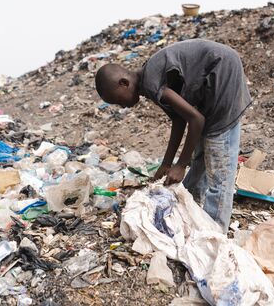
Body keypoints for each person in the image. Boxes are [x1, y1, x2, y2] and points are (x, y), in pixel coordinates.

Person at [94, 39, 252, 231]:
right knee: (202, 153)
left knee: (220, 164)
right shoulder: (148, 81)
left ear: (124, 83)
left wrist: (180, 165)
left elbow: (196, 120)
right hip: (214, 78)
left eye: (118, 101)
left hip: (222, 73)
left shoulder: (151, 82)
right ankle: (187, 210)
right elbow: (179, 119)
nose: (122, 106)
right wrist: (167, 163)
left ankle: (213, 236)